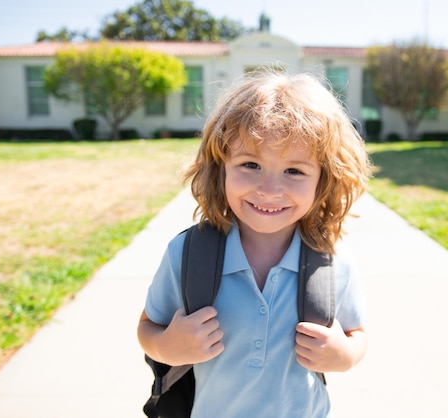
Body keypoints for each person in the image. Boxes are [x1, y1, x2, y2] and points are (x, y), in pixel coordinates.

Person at [137, 70, 372, 417]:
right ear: (221, 169)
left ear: (324, 179)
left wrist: (345, 355)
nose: (269, 189)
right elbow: (148, 328)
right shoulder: (188, 255)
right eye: (250, 164)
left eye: (294, 171)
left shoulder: (333, 262)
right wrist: (169, 347)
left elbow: (357, 333)